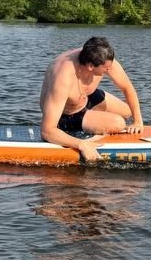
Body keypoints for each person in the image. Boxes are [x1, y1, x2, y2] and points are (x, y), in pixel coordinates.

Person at [40, 36, 143, 164]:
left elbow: (127, 88)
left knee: (128, 111)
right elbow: (46, 131)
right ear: (90, 66)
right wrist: (81, 144)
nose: (110, 69)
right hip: (66, 114)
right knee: (118, 123)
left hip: (86, 96)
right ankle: (86, 125)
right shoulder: (63, 77)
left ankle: (94, 120)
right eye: (106, 69)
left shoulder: (103, 57)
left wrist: (138, 122)